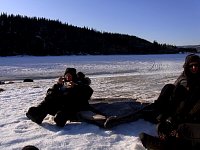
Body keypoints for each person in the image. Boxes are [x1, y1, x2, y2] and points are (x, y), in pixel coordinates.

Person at [139, 54, 200, 149]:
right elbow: (175, 92)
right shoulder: (183, 77)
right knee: (169, 87)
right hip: (180, 111)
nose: (194, 68)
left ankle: (167, 143)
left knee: (183, 130)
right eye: (191, 65)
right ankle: (162, 120)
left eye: (196, 65)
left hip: (192, 115)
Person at [26, 68, 93, 127]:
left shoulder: (78, 83)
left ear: (73, 76)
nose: (68, 77)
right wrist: (57, 85)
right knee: (47, 102)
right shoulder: (62, 84)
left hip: (72, 106)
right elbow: (49, 94)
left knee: (59, 119)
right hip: (61, 104)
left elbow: (89, 92)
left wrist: (75, 87)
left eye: (70, 76)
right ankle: (38, 116)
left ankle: (60, 118)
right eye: (66, 76)